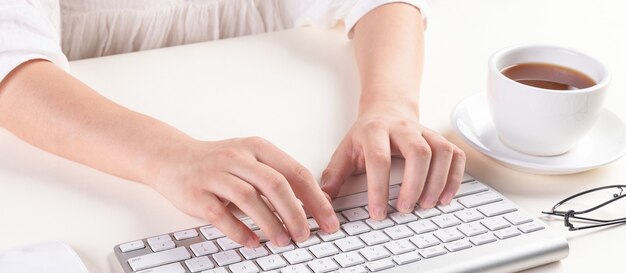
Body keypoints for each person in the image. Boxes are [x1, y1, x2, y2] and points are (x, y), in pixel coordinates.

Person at [0, 0, 465, 249]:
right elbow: (12, 61)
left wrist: (391, 105)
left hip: (286, 125)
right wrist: (169, 156)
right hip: (102, 177)